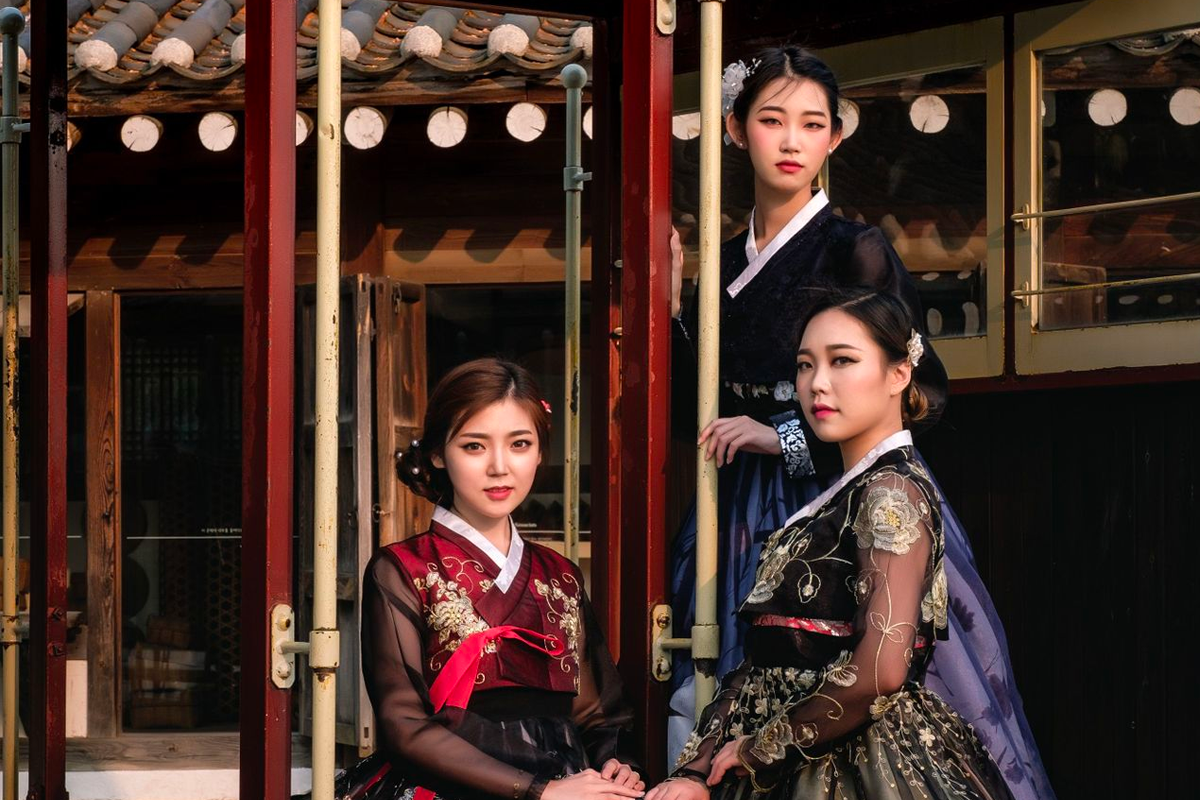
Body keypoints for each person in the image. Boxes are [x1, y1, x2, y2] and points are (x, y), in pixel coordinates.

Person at [667, 45, 1053, 800]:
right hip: (736, 504)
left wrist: (779, 432)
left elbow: (925, 390)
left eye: (811, 124)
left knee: (879, 680)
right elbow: (694, 409)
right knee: (717, 672)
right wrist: (668, 301)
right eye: (772, 120)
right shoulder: (716, 262)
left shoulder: (856, 248)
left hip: (844, 491)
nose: (790, 141)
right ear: (736, 129)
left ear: (833, 140)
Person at [650, 289, 1014, 800]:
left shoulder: (891, 491)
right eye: (804, 366)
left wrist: (760, 750)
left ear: (898, 374)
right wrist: (699, 767)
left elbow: (880, 671)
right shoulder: (842, 497)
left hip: (854, 768)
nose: (817, 383)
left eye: (843, 360)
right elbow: (759, 664)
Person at [333, 358, 644, 800]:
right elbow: (403, 725)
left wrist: (619, 765)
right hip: (453, 786)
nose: (500, 467)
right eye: (475, 446)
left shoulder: (562, 577)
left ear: (540, 452)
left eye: (519, 444)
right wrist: (539, 791)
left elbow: (599, 715)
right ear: (439, 454)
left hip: (569, 785)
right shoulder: (402, 569)